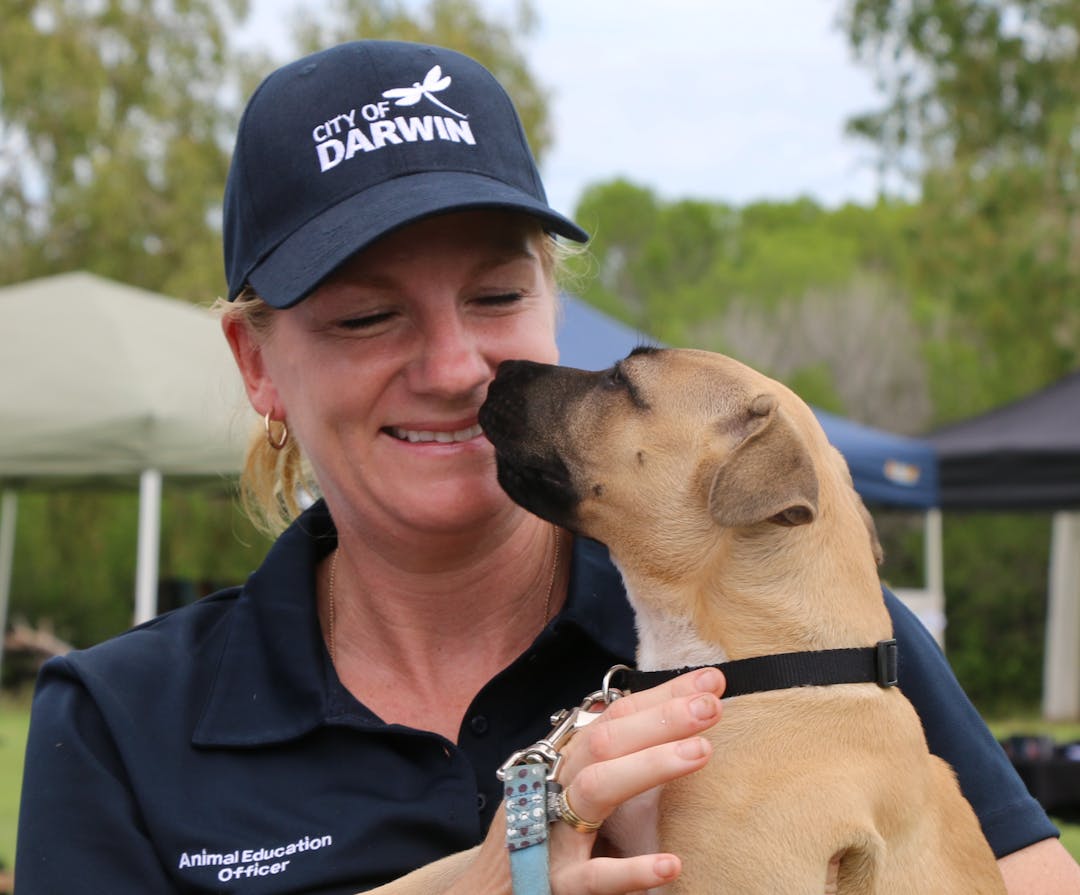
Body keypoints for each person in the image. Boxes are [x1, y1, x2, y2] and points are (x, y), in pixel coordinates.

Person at [14, 39, 1080, 895]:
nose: (453, 367)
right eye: (369, 315)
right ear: (258, 365)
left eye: (496, 297)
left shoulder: (815, 641)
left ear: (553, 303)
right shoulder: (119, 721)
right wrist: (490, 876)